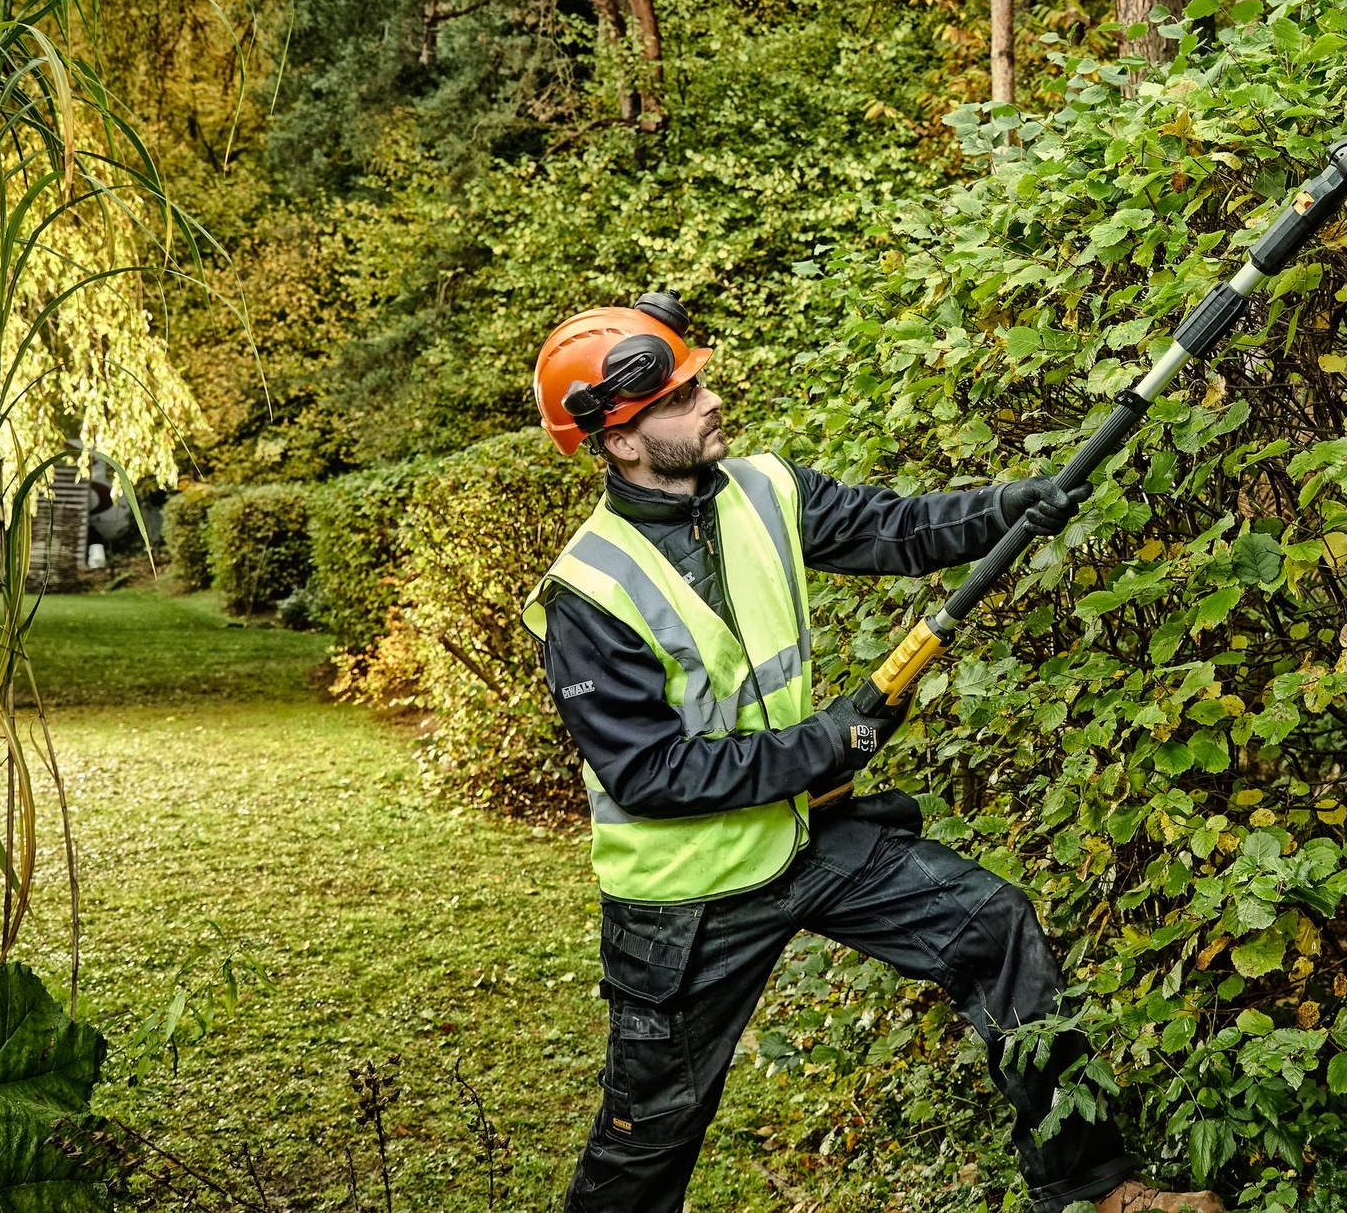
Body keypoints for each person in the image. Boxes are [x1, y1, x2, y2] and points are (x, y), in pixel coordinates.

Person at [524, 295, 1223, 1213]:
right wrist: (827, 742)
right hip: (685, 901)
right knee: (649, 1136)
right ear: (621, 439)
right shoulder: (588, 589)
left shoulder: (764, 491)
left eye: (701, 380)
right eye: (684, 396)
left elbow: (896, 529)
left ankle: (1090, 1184)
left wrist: (1014, 506)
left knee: (992, 927)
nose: (710, 399)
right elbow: (651, 777)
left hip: (807, 838)